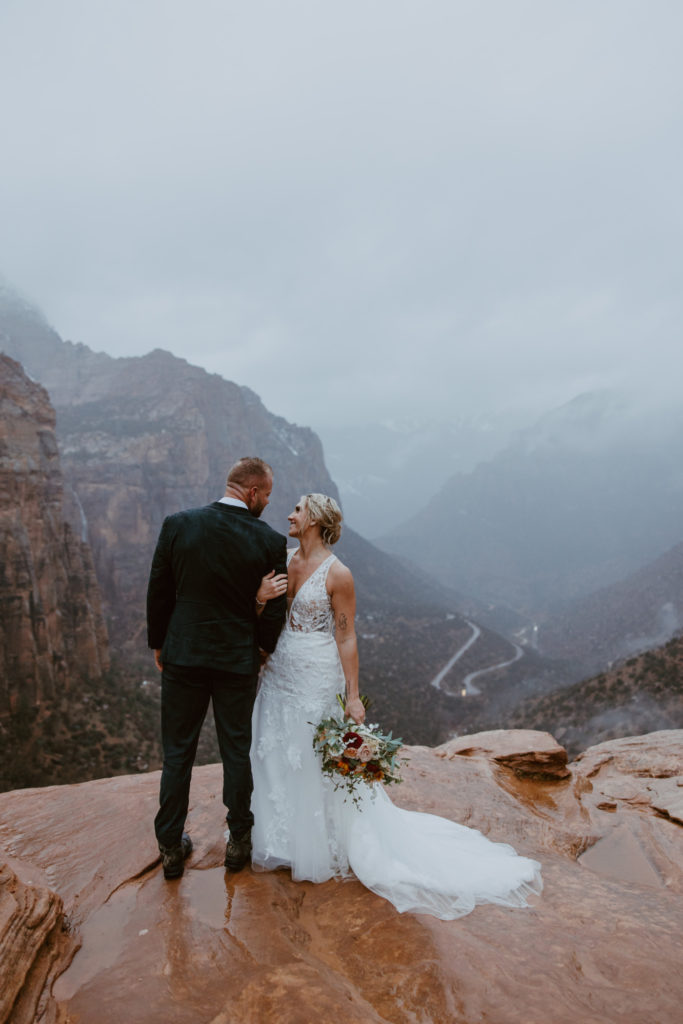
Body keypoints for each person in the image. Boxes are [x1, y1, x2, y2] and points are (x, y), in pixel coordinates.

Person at [249, 493, 543, 920]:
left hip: (315, 675)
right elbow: (260, 616)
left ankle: (320, 841)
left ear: (315, 520)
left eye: (298, 509)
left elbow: (346, 636)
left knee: (315, 755)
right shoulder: (281, 559)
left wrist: (352, 695)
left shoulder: (339, 574)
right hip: (277, 670)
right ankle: (281, 836)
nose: (289, 515)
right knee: (276, 748)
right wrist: (260, 598)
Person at [146, 456, 288, 879]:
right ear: (253, 492)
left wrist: (159, 643)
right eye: (268, 495)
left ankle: (171, 847)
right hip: (235, 661)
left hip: (183, 656)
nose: (268, 502)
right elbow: (275, 607)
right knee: (235, 751)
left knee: (177, 754)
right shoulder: (269, 540)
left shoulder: (178, 524)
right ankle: (238, 841)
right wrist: (262, 648)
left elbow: (159, 588)